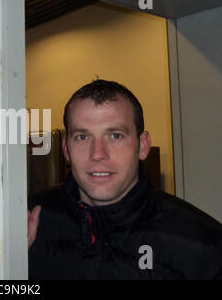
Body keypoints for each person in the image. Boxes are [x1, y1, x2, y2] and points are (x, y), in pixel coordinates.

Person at [27, 79, 222, 279]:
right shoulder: (25, 224)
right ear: (66, 149)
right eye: (82, 137)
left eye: (116, 136)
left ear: (143, 146)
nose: (97, 154)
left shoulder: (202, 243)